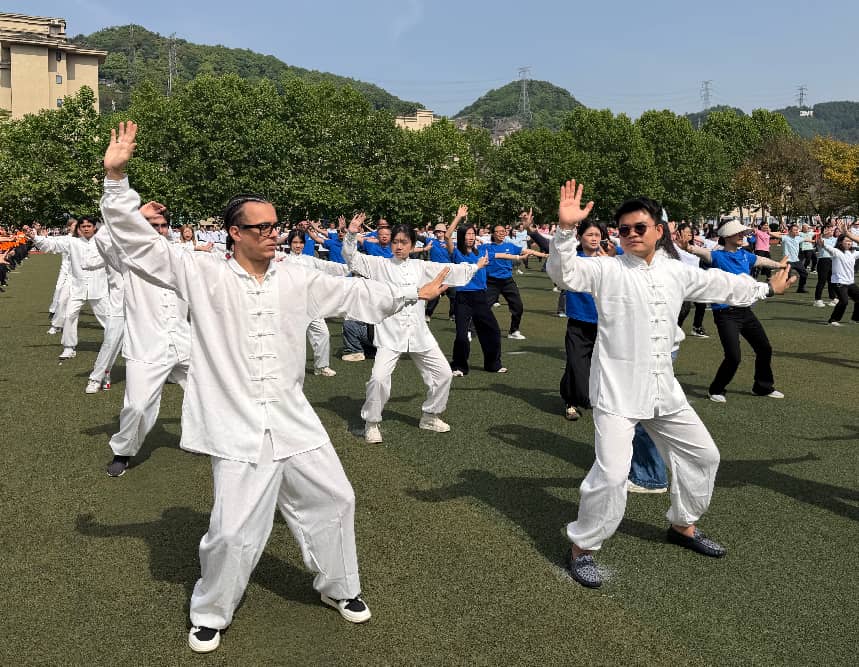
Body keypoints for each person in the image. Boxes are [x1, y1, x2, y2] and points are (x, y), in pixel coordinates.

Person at [100, 121, 450, 653]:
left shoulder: (296, 277)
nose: (272, 232)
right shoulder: (203, 273)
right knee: (233, 530)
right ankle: (211, 611)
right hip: (236, 423)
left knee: (336, 498)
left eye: (275, 225)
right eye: (259, 226)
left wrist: (409, 295)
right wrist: (116, 177)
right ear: (234, 233)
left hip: (293, 418)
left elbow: (355, 296)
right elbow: (139, 245)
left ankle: (339, 587)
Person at [546, 180, 795, 589]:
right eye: (623, 229)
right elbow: (565, 273)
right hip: (617, 393)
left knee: (704, 457)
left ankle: (682, 525)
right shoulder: (606, 269)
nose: (630, 235)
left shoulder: (677, 271)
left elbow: (723, 286)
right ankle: (582, 548)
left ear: (658, 230)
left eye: (638, 227)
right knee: (610, 475)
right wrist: (563, 230)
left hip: (665, 390)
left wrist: (766, 288)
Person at [343, 214, 483, 443]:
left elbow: (446, 270)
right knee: (378, 379)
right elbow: (351, 258)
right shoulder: (380, 265)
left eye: (404, 242)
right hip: (390, 333)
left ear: (412, 245)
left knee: (444, 374)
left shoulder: (420, 266)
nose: (398, 246)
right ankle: (371, 422)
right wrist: (351, 234)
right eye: (395, 242)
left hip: (418, 332)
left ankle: (430, 415)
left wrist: (473, 267)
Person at [101, 201, 192, 477]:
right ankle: (123, 453)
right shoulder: (128, 257)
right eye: (154, 226)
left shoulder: (179, 255)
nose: (159, 230)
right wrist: (137, 215)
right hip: (146, 346)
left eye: (163, 226)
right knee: (138, 406)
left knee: (212, 393)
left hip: (184, 341)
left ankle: (205, 439)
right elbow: (104, 238)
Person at [686, 220, 787, 403]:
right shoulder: (716, 256)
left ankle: (762, 387)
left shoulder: (745, 255)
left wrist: (779, 265)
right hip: (725, 314)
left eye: (743, 234)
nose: (742, 236)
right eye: (738, 233)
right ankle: (716, 389)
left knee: (764, 348)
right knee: (734, 356)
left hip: (745, 312)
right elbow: (697, 251)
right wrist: (686, 246)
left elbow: (762, 260)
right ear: (726, 236)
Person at [445, 206, 521, 376]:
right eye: (468, 234)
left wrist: (517, 256)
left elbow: (501, 256)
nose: (470, 237)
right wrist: (458, 217)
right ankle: (459, 366)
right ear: (463, 236)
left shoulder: (483, 252)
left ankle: (493, 364)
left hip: (480, 297)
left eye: (473, 234)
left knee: (492, 331)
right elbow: (447, 236)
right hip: (463, 298)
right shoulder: (456, 253)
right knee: (462, 335)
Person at [559, 219, 617, 421]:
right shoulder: (574, 260)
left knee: (596, 367)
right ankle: (572, 401)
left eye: (597, 235)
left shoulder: (610, 261)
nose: (594, 238)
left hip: (604, 324)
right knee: (577, 364)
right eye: (590, 234)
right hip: (578, 322)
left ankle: (570, 398)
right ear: (580, 237)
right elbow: (557, 255)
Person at [29, 217, 109, 359]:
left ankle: (122, 342)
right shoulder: (72, 242)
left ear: (94, 227)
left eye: (89, 226)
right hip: (77, 288)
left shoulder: (104, 242)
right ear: (79, 228)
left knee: (109, 319)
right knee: (69, 315)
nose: (86, 228)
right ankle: (69, 347)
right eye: (83, 226)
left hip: (99, 288)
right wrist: (35, 237)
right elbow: (52, 244)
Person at [280, 228, 348, 376]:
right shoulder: (282, 259)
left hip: (311, 305)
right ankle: (287, 369)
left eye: (300, 242)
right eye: (295, 242)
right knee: (292, 339)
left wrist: (350, 267)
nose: (298, 246)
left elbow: (329, 266)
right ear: (289, 243)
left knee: (323, 334)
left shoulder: (309, 260)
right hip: (292, 306)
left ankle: (321, 367)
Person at [484, 222, 539, 340]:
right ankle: (471, 330)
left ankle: (513, 331)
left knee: (518, 306)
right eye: (498, 231)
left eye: (503, 231)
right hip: (491, 282)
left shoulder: (510, 246)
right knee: (483, 307)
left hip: (508, 281)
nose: (501, 233)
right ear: (493, 234)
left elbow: (527, 251)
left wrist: (545, 255)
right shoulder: (487, 247)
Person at [826, 222, 859, 326]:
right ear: (840, 242)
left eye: (850, 242)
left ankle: (855, 319)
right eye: (846, 241)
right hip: (839, 282)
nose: (849, 243)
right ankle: (833, 320)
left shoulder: (853, 253)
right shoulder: (836, 251)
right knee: (844, 301)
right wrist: (822, 243)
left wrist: (848, 233)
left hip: (850, 282)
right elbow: (827, 247)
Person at [813, 223, 837, 307]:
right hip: (823, 261)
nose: (831, 231)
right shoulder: (820, 238)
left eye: (832, 229)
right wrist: (822, 234)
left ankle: (833, 298)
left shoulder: (835, 239)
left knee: (832, 281)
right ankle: (817, 300)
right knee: (822, 281)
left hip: (833, 261)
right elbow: (819, 243)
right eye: (829, 229)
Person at [780, 224, 809, 293]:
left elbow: (806, 239)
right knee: (786, 276)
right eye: (795, 230)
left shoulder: (798, 238)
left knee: (804, 274)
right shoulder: (785, 237)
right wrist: (768, 232)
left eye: (797, 230)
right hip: (787, 261)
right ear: (790, 231)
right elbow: (776, 235)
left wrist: (816, 241)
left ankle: (800, 288)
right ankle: (780, 288)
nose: (796, 231)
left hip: (796, 260)